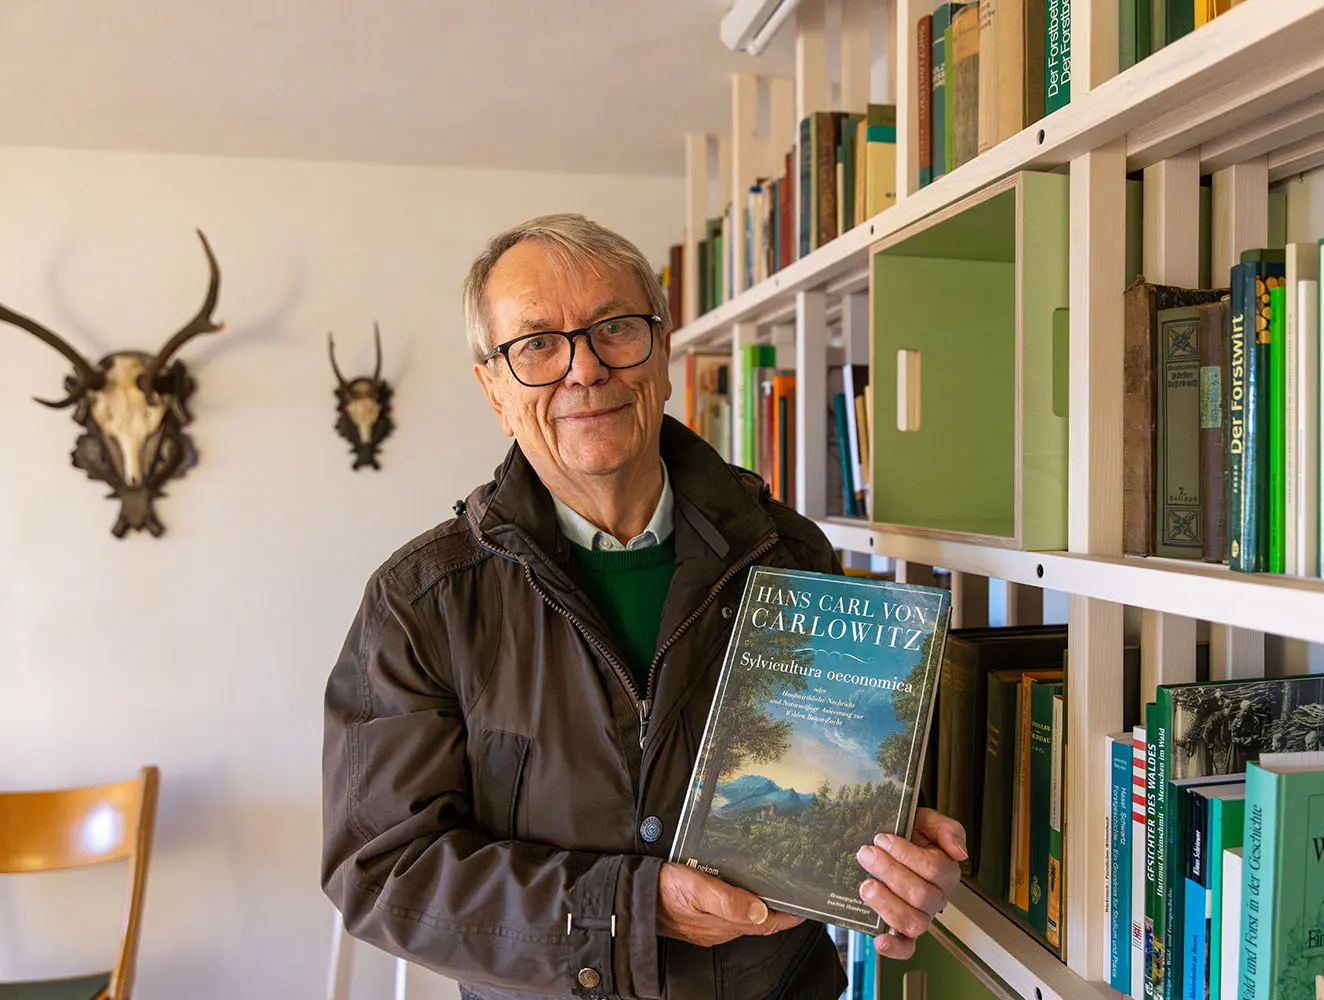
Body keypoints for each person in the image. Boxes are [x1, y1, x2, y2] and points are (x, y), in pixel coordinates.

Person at [321, 214, 965, 1000]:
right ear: (493, 387)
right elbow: (382, 874)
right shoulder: (420, 604)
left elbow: (839, 773)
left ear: (662, 354)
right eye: (537, 345)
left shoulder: (789, 553)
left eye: (615, 329)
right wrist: (633, 910)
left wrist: (886, 866)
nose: (584, 369)